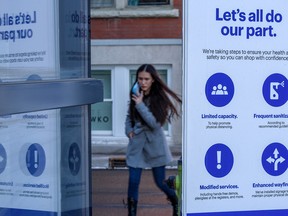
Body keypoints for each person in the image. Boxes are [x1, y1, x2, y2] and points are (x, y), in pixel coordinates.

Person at [125, 64, 182, 216]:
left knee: (160, 182)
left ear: (153, 80)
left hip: (155, 147)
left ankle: (176, 201)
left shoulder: (159, 99)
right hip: (137, 147)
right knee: (133, 181)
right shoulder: (135, 95)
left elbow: (155, 124)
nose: (143, 82)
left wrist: (140, 105)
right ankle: (131, 212)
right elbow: (129, 116)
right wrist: (128, 131)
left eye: (146, 79)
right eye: (140, 79)